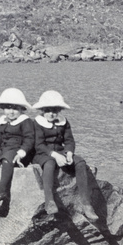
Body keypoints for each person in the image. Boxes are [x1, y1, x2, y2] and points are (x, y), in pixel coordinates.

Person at [32, 90, 98, 220]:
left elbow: (69, 140)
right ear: (43, 109)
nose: (52, 114)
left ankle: (86, 204)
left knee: (80, 162)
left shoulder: (64, 122)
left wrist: (68, 153)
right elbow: (38, 144)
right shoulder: (37, 122)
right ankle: (49, 200)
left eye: (55, 110)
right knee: (49, 164)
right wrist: (55, 156)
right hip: (42, 152)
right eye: (48, 110)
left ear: (60, 110)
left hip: (60, 150)